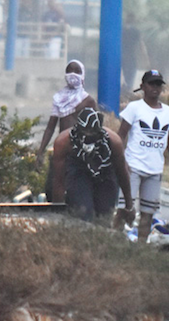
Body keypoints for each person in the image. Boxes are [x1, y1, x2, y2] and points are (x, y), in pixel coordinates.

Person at [116, 70, 169, 241]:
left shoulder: (168, 112)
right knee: (124, 210)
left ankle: (141, 248)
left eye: (158, 84)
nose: (155, 88)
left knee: (148, 214)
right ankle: (114, 242)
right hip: (133, 168)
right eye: (151, 84)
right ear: (142, 86)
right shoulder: (134, 108)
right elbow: (120, 136)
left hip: (154, 170)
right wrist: (120, 162)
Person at [50, 107, 134, 223]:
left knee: (104, 214)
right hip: (78, 172)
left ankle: (100, 238)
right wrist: (57, 210)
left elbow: (122, 173)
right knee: (82, 212)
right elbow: (58, 179)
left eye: (93, 132)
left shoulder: (113, 142)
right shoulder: (64, 142)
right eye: (85, 131)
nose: (88, 136)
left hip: (106, 173)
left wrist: (129, 204)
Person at [36, 61, 98, 198]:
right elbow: (51, 127)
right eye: (69, 71)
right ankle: (56, 210)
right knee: (53, 186)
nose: (72, 75)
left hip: (79, 151)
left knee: (76, 186)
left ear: (82, 75)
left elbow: (96, 129)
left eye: (76, 71)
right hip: (61, 148)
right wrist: (40, 151)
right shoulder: (58, 98)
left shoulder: (88, 101)